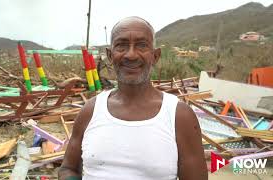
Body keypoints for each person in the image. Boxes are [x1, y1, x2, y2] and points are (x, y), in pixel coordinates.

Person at [59, 16, 207, 180]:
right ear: (110, 55)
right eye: (121, 45)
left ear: (155, 56)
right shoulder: (91, 111)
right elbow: (68, 169)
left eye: (142, 45)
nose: (130, 55)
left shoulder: (179, 116)